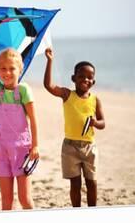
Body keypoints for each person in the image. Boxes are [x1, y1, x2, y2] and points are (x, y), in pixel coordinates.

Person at [0, 22, 40, 210]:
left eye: (12, 69)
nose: (7, 73)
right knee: (6, 202)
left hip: (21, 150)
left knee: (25, 199)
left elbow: (33, 120)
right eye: (3, 69)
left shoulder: (23, 90)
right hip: (0, 149)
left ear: (20, 70)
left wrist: (36, 145)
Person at [43, 47, 105, 207]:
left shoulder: (95, 100)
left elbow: (103, 123)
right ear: (73, 78)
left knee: (92, 183)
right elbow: (48, 85)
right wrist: (50, 61)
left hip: (89, 147)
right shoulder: (67, 95)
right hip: (70, 147)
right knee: (75, 184)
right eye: (81, 76)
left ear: (94, 82)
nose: (86, 80)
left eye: (90, 77)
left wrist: (95, 123)